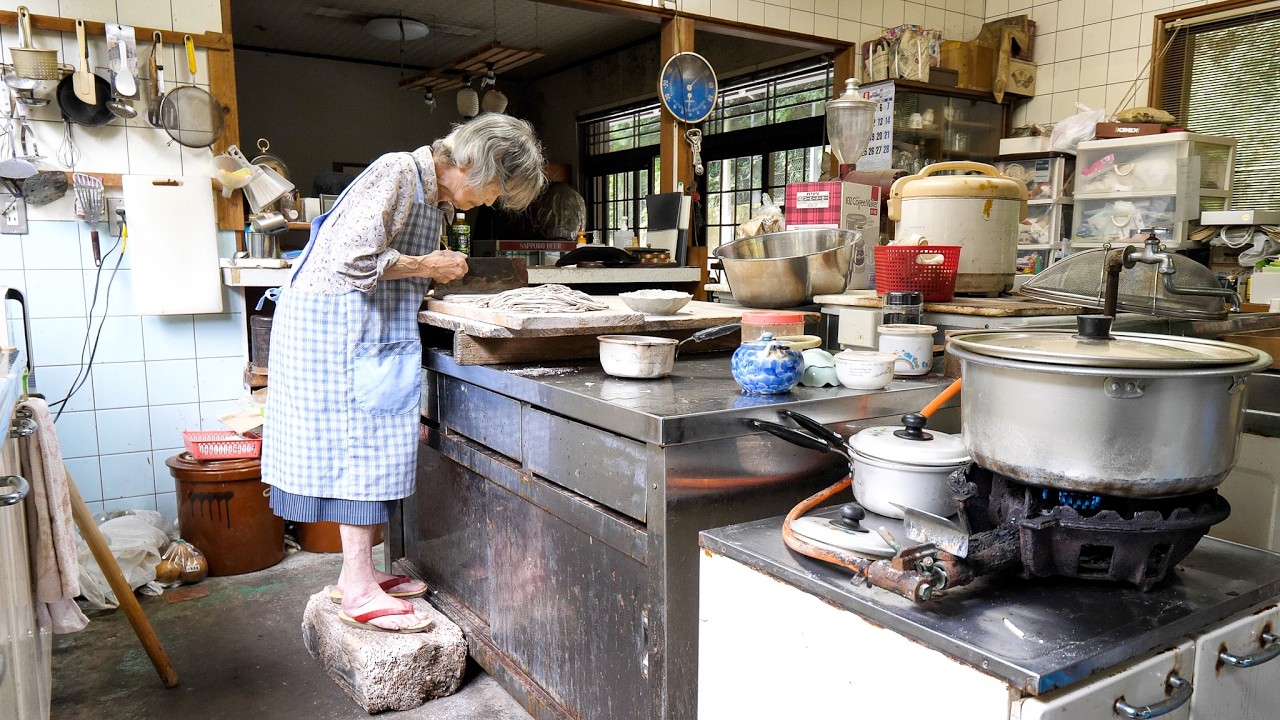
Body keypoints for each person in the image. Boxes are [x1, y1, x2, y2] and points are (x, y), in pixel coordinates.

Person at [262, 115, 547, 632]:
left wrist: (427, 275)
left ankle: (361, 574)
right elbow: (352, 260)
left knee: (373, 447)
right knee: (355, 451)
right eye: (494, 190)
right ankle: (357, 586)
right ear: (474, 163)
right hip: (337, 329)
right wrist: (426, 266)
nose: (488, 203)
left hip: (370, 332)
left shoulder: (431, 197)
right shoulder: (396, 172)